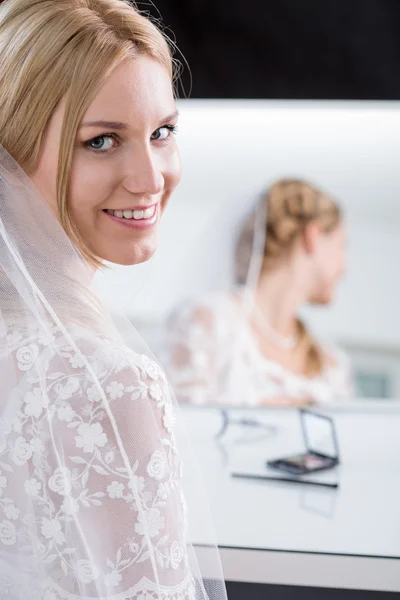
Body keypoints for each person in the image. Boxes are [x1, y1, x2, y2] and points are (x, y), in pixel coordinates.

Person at [0, 1, 226, 598]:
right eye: (102, 141)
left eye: (162, 133)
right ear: (13, 156)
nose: (150, 178)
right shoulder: (109, 386)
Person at [164, 178, 353, 406]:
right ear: (312, 237)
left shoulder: (330, 363)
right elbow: (179, 428)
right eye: (342, 245)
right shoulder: (209, 321)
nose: (345, 268)